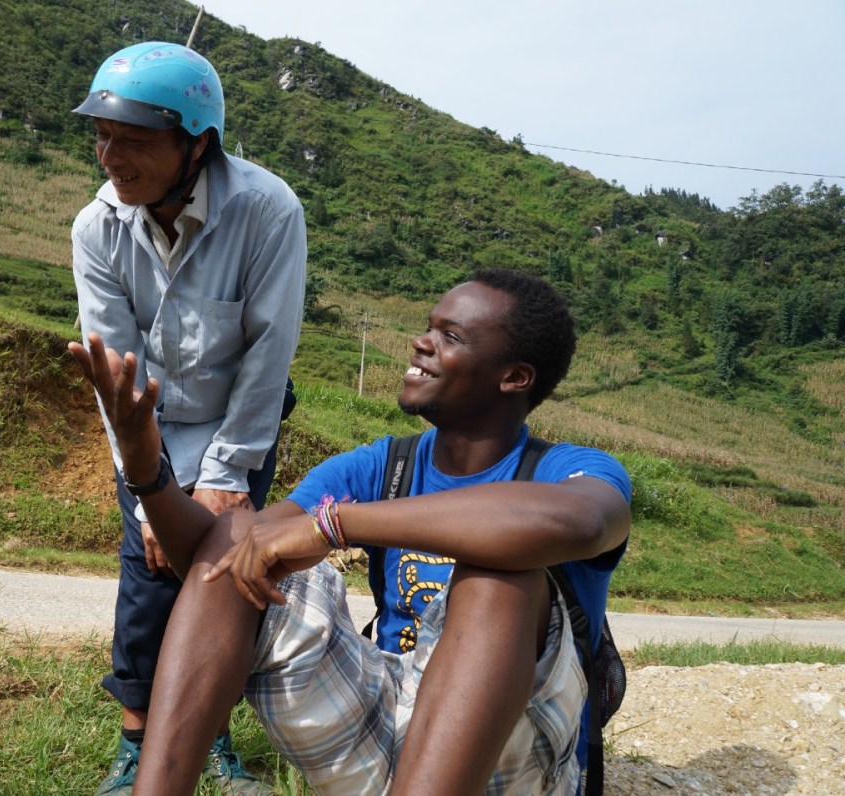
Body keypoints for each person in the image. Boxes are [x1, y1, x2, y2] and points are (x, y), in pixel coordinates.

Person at [68, 267, 632, 794]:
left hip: (509, 758)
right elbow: (219, 559)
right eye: (428, 328)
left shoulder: (567, 469)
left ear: (514, 377)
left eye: (451, 336)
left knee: (499, 576)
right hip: (384, 722)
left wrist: (335, 526)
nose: (421, 343)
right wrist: (148, 474)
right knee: (241, 532)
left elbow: (576, 521)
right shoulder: (383, 465)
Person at [70, 40, 306, 794]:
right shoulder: (97, 228)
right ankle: (137, 745)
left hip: (240, 422)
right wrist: (148, 484)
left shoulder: (267, 211)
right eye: (103, 135)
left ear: (197, 143)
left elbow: (269, 355)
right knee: (148, 576)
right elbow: (116, 373)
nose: (111, 156)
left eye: (134, 140)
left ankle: (210, 736)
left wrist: (227, 475)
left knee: (226, 574)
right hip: (146, 426)